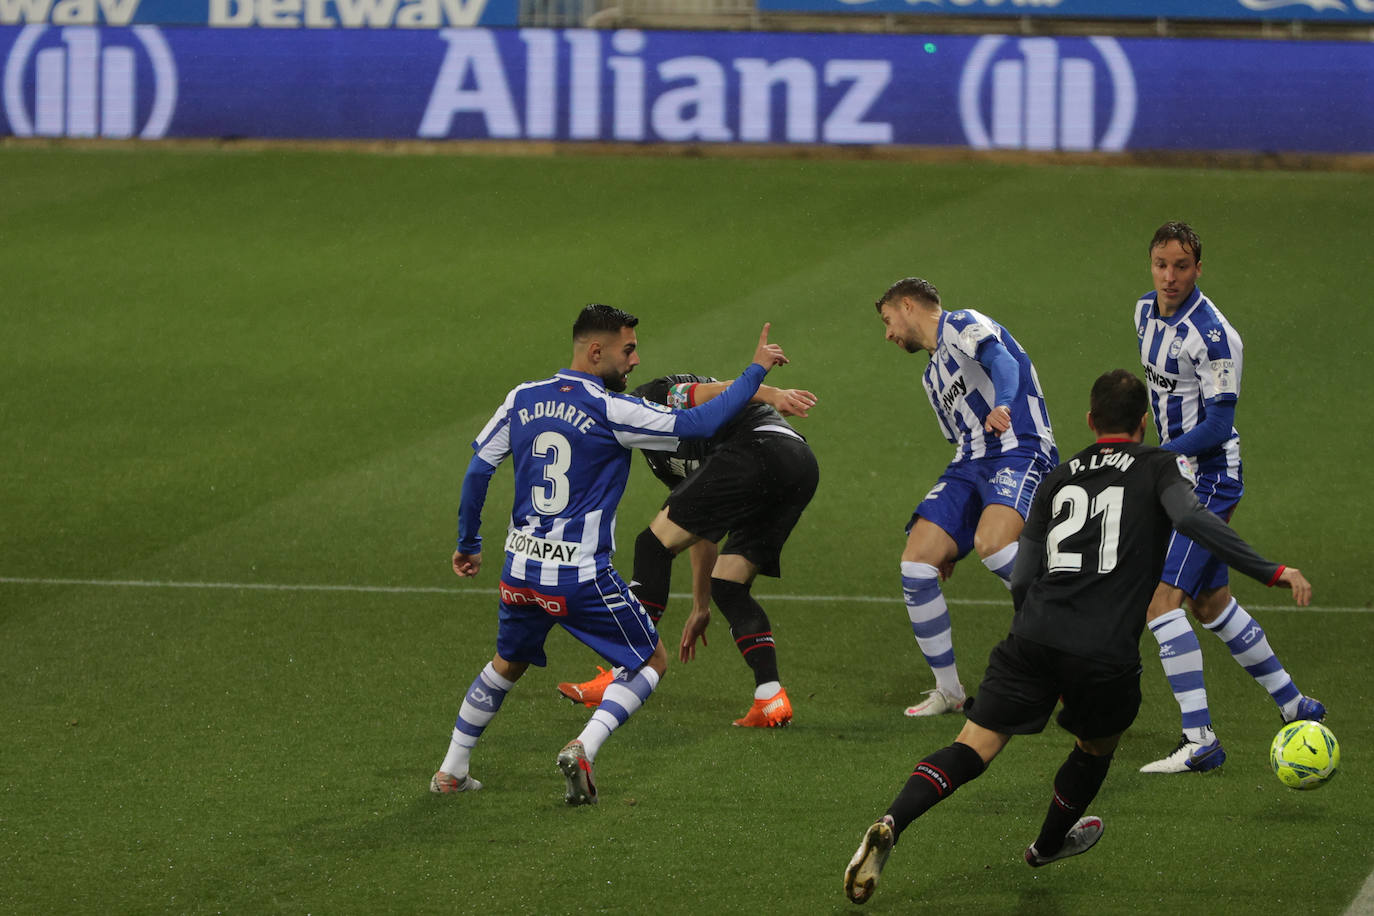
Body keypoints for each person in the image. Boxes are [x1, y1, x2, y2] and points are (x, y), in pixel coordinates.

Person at [842, 369, 1312, 905]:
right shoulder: (1159, 465)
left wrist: (1036, 640)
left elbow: (1021, 577)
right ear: (1144, 422)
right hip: (1104, 653)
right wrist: (1271, 570)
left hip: (1033, 636)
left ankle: (892, 820)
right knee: (1095, 745)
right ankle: (1045, 845)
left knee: (972, 746)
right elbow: (1194, 520)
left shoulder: (1058, 476)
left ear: (1090, 421)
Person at [431, 305, 790, 805]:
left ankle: (451, 769)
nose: (636, 361)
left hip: (519, 571)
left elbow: (477, 472)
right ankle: (585, 745)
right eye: (628, 350)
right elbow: (700, 422)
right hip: (579, 577)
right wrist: (756, 370)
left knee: (505, 664)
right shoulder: (610, 409)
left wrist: (469, 542)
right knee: (650, 662)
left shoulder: (521, 398)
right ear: (595, 351)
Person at [1133, 221, 1324, 774]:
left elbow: (1218, 424)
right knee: (1209, 603)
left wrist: (1163, 456)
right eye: (1161, 265)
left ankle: (1200, 741)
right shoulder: (1144, 312)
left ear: (1199, 268)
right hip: (1175, 474)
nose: (1169, 277)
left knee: (1161, 603)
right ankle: (1294, 703)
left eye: (1182, 267)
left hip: (1210, 477)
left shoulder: (1215, 338)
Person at [556, 374, 820, 727]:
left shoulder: (652, 396)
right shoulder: (653, 447)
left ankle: (623, 671)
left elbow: (721, 389)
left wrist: (773, 393)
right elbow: (702, 529)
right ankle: (769, 697)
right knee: (729, 585)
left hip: (757, 449)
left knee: (651, 547)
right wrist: (700, 605)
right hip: (797, 466)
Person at [874, 277, 1058, 717]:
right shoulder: (930, 376)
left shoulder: (962, 323)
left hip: (1019, 445)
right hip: (970, 463)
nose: (888, 334)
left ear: (907, 306)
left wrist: (1006, 404)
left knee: (993, 545)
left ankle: (1069, 627)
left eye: (887, 321)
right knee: (917, 563)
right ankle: (950, 690)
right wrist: (951, 532)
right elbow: (960, 438)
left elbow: (1004, 363)